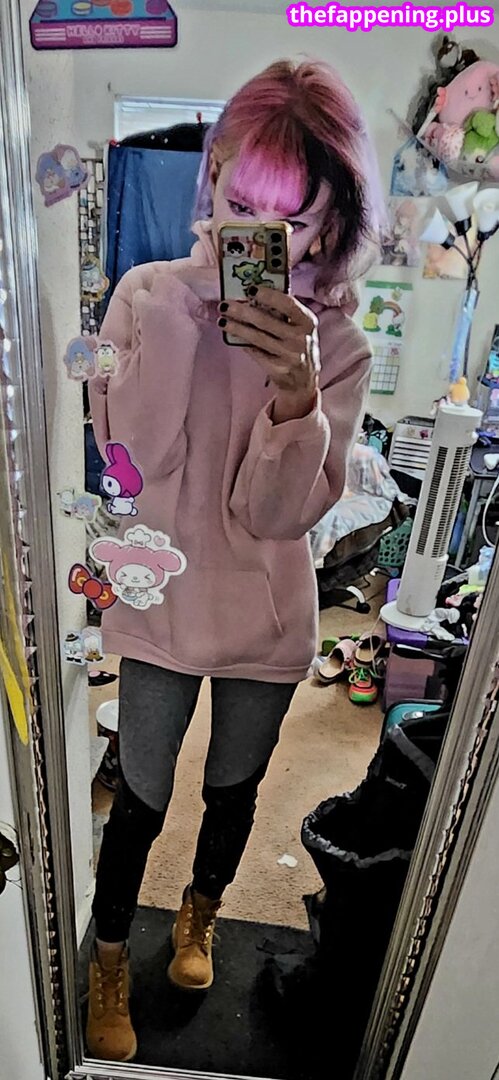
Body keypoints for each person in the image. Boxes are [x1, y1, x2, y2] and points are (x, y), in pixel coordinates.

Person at [86, 58, 385, 1062]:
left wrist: (296, 395)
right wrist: (179, 324)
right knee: (139, 792)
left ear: (331, 225)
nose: (256, 235)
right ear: (210, 177)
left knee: (232, 788)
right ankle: (109, 950)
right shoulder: (144, 295)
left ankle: (202, 913)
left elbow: (276, 515)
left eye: (290, 219)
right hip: (158, 597)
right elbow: (134, 468)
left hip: (264, 609)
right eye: (240, 201)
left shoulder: (337, 345)